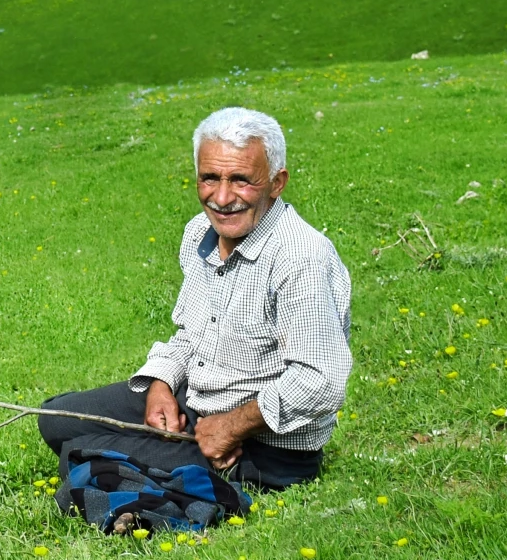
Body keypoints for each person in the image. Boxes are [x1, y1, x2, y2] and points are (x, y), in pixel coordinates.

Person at [38, 106, 352, 491]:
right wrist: (160, 384)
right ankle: (152, 451)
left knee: (79, 454)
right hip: (198, 406)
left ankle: (194, 467)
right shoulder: (199, 233)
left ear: (277, 182)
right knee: (53, 418)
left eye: (241, 180)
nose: (222, 197)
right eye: (209, 178)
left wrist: (231, 427)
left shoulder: (300, 257)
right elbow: (191, 333)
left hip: (263, 445)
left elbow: (320, 380)